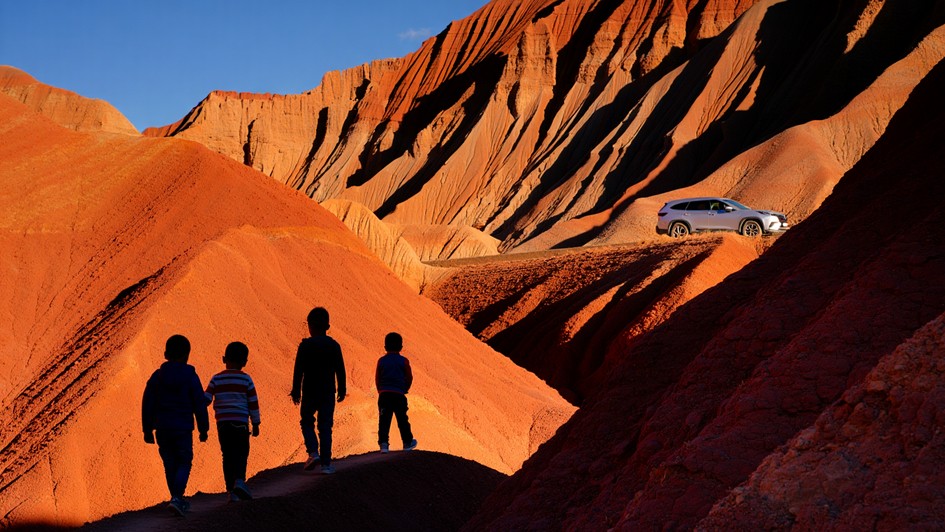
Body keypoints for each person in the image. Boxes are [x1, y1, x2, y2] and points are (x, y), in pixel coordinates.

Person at [142, 334, 210, 516]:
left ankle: (176, 498)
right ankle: (177, 497)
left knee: (169, 463)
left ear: (165, 353)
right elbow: (199, 403)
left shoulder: (157, 377)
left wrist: (147, 429)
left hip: (162, 428)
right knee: (184, 461)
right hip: (183, 428)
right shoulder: (190, 377)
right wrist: (204, 429)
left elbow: (147, 402)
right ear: (187, 355)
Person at [291, 307, 346, 474]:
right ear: (327, 326)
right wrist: (342, 389)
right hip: (328, 392)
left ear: (310, 326)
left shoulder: (305, 345)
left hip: (310, 391)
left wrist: (295, 391)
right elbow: (340, 369)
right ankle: (326, 464)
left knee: (307, 421)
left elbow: (298, 370)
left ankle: (313, 452)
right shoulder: (334, 345)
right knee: (325, 426)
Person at [205, 341, 261, 502]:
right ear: (244, 362)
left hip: (222, 425)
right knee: (241, 453)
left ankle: (231, 491)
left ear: (224, 359)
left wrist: (193, 404)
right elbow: (253, 403)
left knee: (227, 456)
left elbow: (206, 398)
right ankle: (239, 481)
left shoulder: (216, 379)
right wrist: (256, 423)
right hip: (241, 424)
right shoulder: (246, 380)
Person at [375, 332, 418, 453]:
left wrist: (380, 390)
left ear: (385, 347)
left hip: (384, 395)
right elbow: (409, 377)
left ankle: (384, 444)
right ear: (401, 347)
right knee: (402, 419)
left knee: (384, 420)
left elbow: (377, 378)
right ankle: (407, 442)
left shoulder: (381, 361)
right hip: (399, 395)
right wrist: (405, 389)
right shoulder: (404, 361)